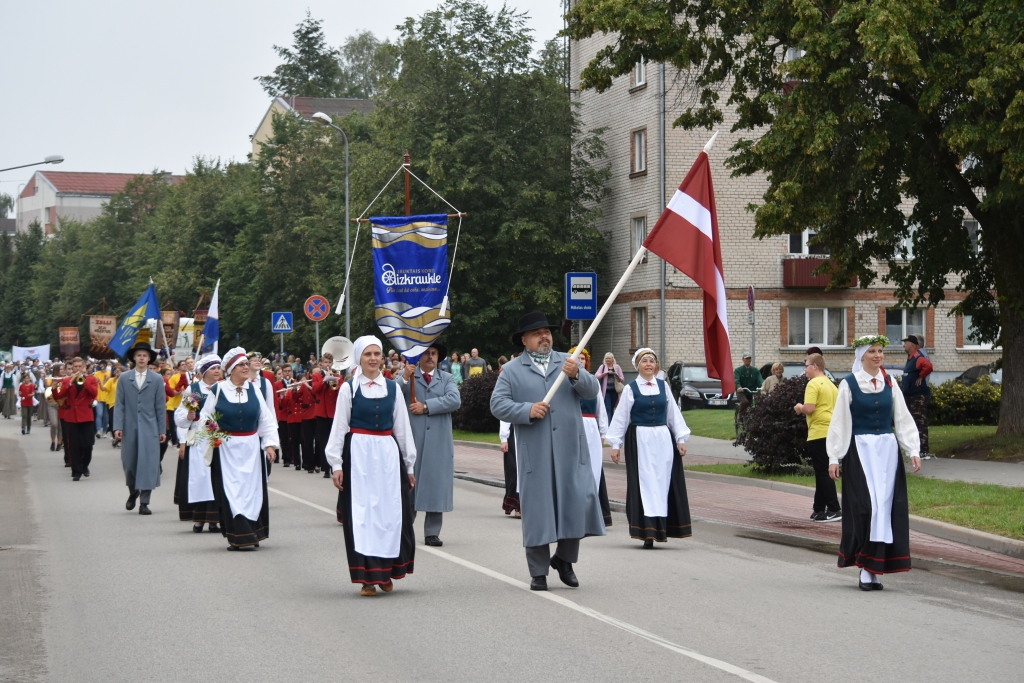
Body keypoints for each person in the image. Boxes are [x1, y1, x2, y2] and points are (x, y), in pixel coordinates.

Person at [490, 311, 605, 591]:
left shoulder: (568, 361)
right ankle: (538, 571)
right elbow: (497, 405)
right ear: (524, 340)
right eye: (537, 333)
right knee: (538, 512)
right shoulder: (513, 371)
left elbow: (591, 392)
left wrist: (577, 374)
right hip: (536, 452)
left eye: (547, 331)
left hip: (569, 449)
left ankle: (565, 559)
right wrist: (526, 409)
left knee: (574, 504)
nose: (545, 336)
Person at [826, 336, 921, 591]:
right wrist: (834, 457)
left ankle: (872, 569)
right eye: (872, 352)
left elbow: (902, 417)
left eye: (880, 351)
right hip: (861, 451)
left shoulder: (891, 382)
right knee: (866, 508)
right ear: (862, 356)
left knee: (886, 509)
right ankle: (865, 562)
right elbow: (840, 423)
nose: (878, 355)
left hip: (887, 452)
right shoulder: (849, 384)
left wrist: (912, 449)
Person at [326, 336, 417, 596]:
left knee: (390, 514)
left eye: (377, 353)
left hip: (387, 457)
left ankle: (387, 572)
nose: (374, 358)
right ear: (359, 358)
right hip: (359, 457)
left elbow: (402, 428)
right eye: (368, 354)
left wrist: (408, 466)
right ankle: (367, 578)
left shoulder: (393, 388)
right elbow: (339, 427)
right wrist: (336, 464)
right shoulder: (349, 388)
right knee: (363, 516)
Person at [607, 347, 691, 548]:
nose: (648, 364)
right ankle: (647, 531)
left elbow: (673, 415)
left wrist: (681, 439)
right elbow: (621, 418)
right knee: (644, 483)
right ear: (638, 365)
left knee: (662, 482)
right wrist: (615, 445)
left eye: (652, 361)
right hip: (640, 440)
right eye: (644, 361)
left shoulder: (664, 387)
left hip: (663, 439)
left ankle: (662, 527)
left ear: (656, 366)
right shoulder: (631, 388)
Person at [200, 348, 279, 550]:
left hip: (251, 448)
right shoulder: (218, 390)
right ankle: (238, 535)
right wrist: (214, 434)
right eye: (242, 365)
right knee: (231, 491)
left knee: (252, 490)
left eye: (246, 364)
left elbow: (266, 419)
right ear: (231, 369)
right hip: (227, 449)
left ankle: (253, 531)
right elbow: (205, 418)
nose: (247, 367)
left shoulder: (253, 390)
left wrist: (270, 444)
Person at [398, 340, 461, 547]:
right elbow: (392, 393)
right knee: (410, 486)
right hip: (413, 440)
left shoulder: (446, 378)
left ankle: (432, 533)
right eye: (426, 353)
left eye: (434, 353)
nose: (430, 356)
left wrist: (426, 406)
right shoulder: (409, 378)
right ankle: (405, 529)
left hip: (438, 443)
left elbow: (454, 400)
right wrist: (404, 377)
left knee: (435, 487)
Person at [114, 342, 167, 514]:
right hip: (129, 426)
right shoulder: (124, 378)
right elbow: (119, 404)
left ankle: (144, 502)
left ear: (149, 358)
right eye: (139, 355)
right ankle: (132, 492)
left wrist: (162, 430)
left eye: (145, 355)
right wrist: (117, 426)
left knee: (148, 463)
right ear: (134, 358)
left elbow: (160, 407)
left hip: (149, 427)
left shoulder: (157, 379)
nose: (142, 358)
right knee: (129, 463)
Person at [173, 354, 223, 533]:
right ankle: (199, 518)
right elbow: (179, 415)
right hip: (196, 433)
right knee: (199, 475)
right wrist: (187, 417)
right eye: (213, 368)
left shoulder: (223, 388)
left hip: (216, 433)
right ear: (204, 371)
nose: (217, 371)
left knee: (215, 475)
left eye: (219, 368)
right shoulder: (193, 390)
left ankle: (214, 519)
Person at [794, 353, 841, 522]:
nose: (805, 369)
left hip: (819, 431)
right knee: (821, 471)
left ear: (815, 366)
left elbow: (809, 408)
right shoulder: (831, 385)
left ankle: (835, 509)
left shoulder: (813, 383)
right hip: (832, 431)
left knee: (822, 472)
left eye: (806, 365)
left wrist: (799, 407)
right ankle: (818, 509)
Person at [571, 347, 612, 526]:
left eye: (583, 358)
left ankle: (590, 511)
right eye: (577, 358)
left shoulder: (593, 383)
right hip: (572, 427)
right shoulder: (564, 382)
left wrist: (603, 433)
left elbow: (601, 411)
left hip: (590, 428)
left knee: (593, 468)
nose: (580, 361)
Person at [53, 357, 99, 481]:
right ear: (72, 368)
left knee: (88, 444)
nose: (78, 369)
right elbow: (58, 395)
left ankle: (84, 465)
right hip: (72, 416)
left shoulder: (91, 379)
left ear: (84, 367)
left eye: (80, 366)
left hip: (86, 416)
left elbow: (94, 393)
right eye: (75, 367)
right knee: (74, 445)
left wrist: (84, 382)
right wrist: (67, 383)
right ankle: (76, 471)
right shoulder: (67, 380)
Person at [901, 334, 933, 458]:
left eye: (906, 343)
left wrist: (921, 376)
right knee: (912, 423)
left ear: (912, 344)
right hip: (910, 395)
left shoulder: (918, 356)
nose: (904, 345)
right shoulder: (910, 357)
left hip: (918, 396)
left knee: (920, 422)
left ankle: (924, 451)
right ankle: (915, 450)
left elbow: (928, 366)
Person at [311, 353, 342, 479]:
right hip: (322, 412)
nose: (327, 364)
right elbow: (315, 390)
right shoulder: (317, 376)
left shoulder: (338, 376)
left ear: (332, 364)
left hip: (334, 411)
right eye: (325, 362)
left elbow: (340, 393)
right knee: (323, 440)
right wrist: (325, 380)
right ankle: (325, 468)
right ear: (321, 364)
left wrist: (336, 383)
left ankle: (333, 466)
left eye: (329, 362)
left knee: (334, 440)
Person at [247, 353, 276, 475]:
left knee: (264, 456)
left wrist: (273, 429)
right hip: (249, 425)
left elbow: (270, 407)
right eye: (253, 360)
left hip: (263, 424)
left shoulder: (265, 383)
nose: (257, 362)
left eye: (258, 360)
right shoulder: (243, 382)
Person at [498, 420, 520, 517]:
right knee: (515, 472)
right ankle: (518, 507)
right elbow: (505, 418)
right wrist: (504, 439)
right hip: (514, 435)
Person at [594, 353, 624, 419]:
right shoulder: (603, 367)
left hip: (615, 390)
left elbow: (622, 378)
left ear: (612, 359)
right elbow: (597, 376)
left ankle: (611, 424)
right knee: (608, 408)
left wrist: (618, 377)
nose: (608, 359)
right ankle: (608, 425)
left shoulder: (617, 367)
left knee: (612, 407)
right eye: (606, 358)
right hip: (606, 391)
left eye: (609, 358)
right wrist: (606, 373)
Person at [734, 352, 761, 420]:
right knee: (745, 402)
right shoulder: (738, 370)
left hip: (751, 391)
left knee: (753, 405)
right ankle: (740, 417)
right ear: (743, 359)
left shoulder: (755, 370)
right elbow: (736, 380)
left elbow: (760, 379)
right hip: (741, 392)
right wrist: (739, 387)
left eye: (749, 358)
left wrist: (763, 386)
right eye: (746, 358)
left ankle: (750, 421)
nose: (748, 360)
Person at [45, 363, 64, 452]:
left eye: (63, 369)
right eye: (60, 369)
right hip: (52, 404)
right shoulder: (52, 379)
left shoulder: (65, 379)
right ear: (56, 370)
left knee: (60, 425)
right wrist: (54, 384)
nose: (62, 371)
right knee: (54, 424)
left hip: (61, 404)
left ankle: (59, 443)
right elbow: (47, 387)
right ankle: (53, 441)